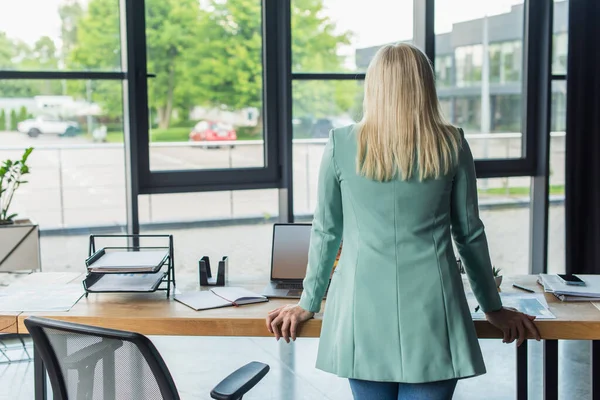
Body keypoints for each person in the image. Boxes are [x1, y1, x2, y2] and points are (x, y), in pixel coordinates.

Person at [266, 43, 541, 400]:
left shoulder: (340, 143)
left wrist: (308, 302)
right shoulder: (451, 143)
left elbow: (327, 232)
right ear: (425, 85)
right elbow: (469, 233)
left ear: (373, 85)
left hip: (361, 310)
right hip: (433, 310)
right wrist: (492, 307)